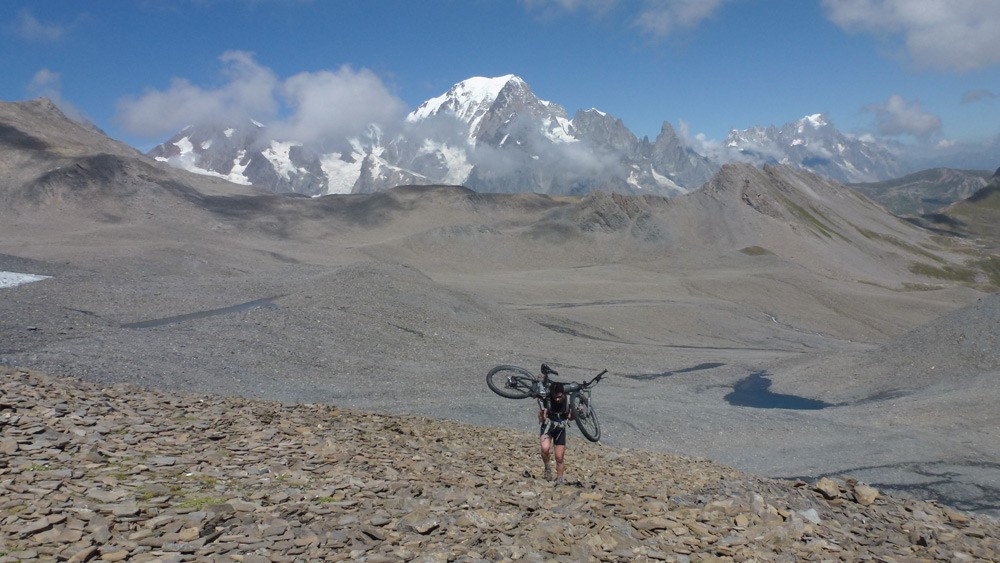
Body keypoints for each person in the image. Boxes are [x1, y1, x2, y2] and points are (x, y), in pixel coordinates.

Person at [539, 382, 572, 485]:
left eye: (559, 397)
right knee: (545, 448)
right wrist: (542, 415)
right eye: (555, 397)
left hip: (560, 429)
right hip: (548, 427)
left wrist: (576, 413)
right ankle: (547, 466)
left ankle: (560, 478)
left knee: (559, 457)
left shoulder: (569, 401)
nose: (557, 399)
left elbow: (571, 417)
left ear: (563, 394)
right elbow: (541, 416)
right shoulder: (547, 399)